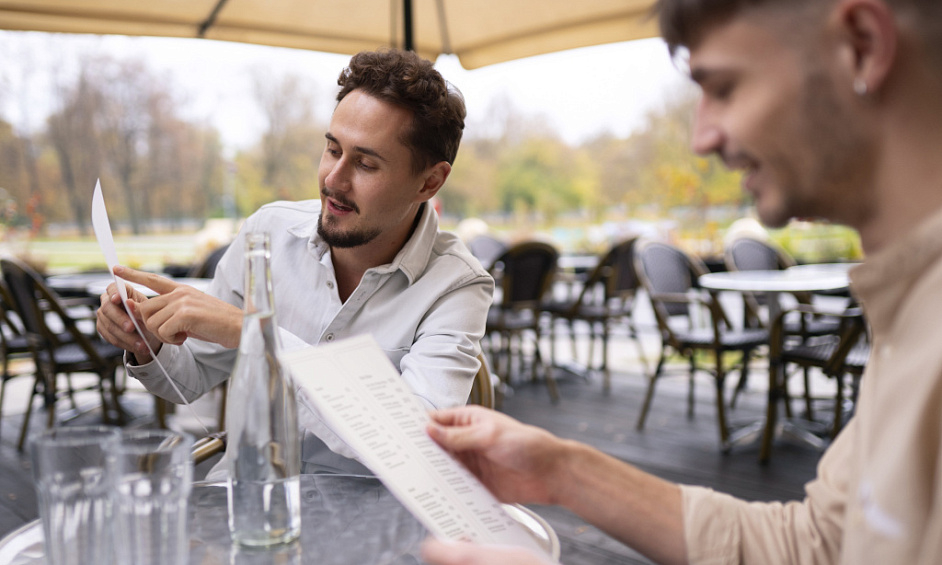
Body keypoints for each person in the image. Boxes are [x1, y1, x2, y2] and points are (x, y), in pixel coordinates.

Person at [421, 0, 942, 563]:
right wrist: (562, 470)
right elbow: (817, 544)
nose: (701, 137)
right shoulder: (912, 307)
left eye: (724, 88)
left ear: (861, 46)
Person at [96, 48, 494, 475]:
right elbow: (190, 378)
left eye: (365, 163)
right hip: (251, 497)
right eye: (332, 149)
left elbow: (418, 449)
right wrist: (149, 342)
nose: (333, 180)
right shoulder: (267, 233)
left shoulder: (457, 285)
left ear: (429, 182)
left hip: (370, 512)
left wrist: (256, 335)